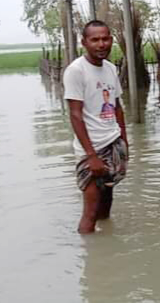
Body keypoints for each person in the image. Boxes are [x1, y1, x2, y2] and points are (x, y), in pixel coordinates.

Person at [63, 20, 128, 234]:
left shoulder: (110, 68)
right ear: (84, 42)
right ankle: (90, 260)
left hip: (113, 142)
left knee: (106, 206)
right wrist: (91, 155)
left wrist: (124, 142)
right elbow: (75, 114)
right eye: (95, 39)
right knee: (90, 214)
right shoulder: (76, 71)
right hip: (91, 149)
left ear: (111, 40)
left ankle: (108, 255)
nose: (101, 44)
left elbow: (117, 107)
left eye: (105, 38)